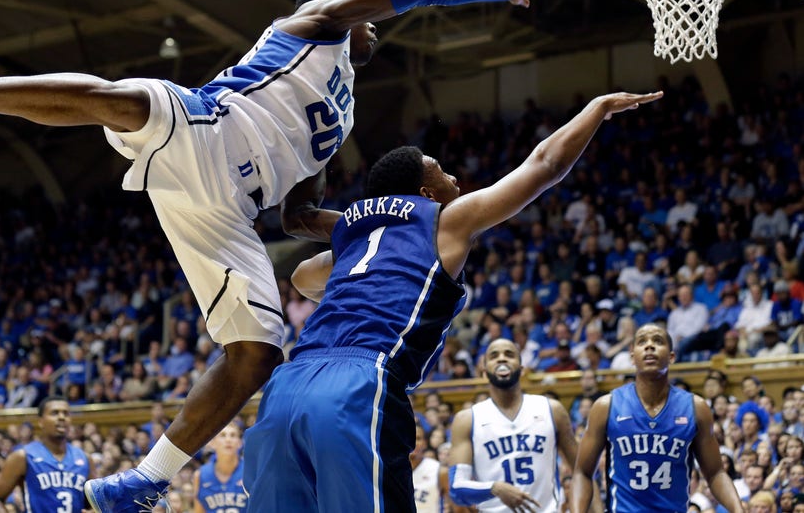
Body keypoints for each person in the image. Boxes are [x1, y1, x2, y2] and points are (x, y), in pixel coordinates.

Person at [0, 0, 531, 509]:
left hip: (228, 212)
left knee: (259, 351)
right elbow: (381, 2)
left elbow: (298, 215)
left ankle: (146, 478)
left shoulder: (346, 113)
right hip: (207, 132)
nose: (374, 28)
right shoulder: (311, 25)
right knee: (128, 102)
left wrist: (381, 230)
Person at [242, 90, 662, 511]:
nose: (456, 181)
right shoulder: (445, 221)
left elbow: (302, 277)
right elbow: (545, 165)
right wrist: (597, 109)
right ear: (426, 194)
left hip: (286, 385)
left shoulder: (353, 240)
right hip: (356, 384)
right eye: (443, 173)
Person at [570, 324, 744, 512]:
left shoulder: (696, 408)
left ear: (671, 357)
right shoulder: (606, 406)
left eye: (658, 341)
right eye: (642, 341)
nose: (649, 346)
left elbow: (715, 473)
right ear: (632, 356)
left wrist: (738, 510)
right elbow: (582, 473)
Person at [448, 338, 602, 512]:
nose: (501, 359)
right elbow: (456, 489)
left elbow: (582, 472)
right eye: (494, 356)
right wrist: (495, 488)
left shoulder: (551, 410)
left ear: (522, 369)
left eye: (509, 354)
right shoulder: (467, 419)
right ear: (484, 372)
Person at [0, 396, 95, 513]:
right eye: (55, 413)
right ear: (41, 421)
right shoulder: (22, 456)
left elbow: (98, 501)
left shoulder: (85, 458)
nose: (61, 417)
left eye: (66, 413)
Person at [191, 423, 248, 513]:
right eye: (223, 435)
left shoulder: (250, 471)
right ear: (212, 443)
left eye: (233, 435)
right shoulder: (200, 475)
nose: (228, 440)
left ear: (240, 443)